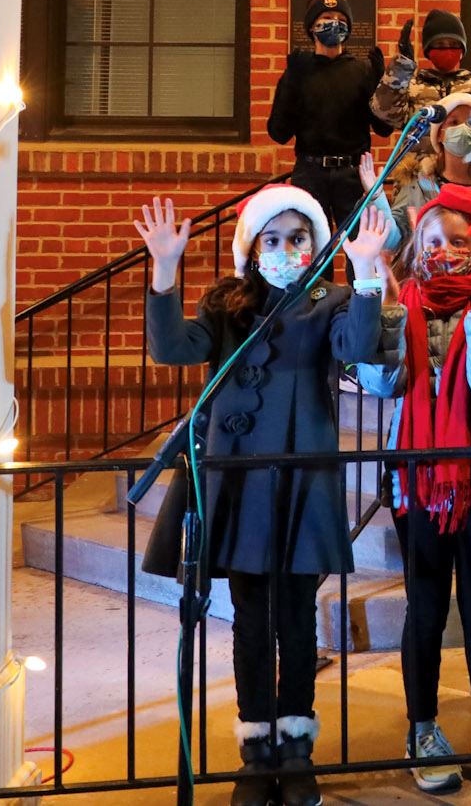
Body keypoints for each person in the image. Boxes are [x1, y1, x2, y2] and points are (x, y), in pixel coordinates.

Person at [134, 186, 398, 806]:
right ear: (252, 248)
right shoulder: (226, 304)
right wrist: (165, 271)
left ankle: (296, 748)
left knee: (298, 620)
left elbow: (357, 348)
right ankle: (255, 751)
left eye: (297, 238)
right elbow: (172, 349)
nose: (284, 250)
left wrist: (365, 277)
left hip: (302, 477)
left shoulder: (329, 301)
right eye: (271, 240)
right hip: (240, 478)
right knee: (251, 620)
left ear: (314, 244)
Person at [357, 184, 471, 791]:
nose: (444, 251)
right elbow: (383, 384)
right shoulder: (402, 301)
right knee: (425, 602)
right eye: (433, 241)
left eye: (457, 241)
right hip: (419, 475)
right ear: (416, 247)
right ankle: (422, 727)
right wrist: (385, 310)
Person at [267, 0, 389, 229]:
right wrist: (292, 82)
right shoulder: (299, 71)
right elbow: (278, 133)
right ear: (312, 27)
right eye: (326, 17)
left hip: (352, 172)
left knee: (359, 243)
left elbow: (383, 129)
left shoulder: (362, 71)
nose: (334, 23)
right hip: (310, 172)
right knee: (312, 245)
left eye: (341, 19)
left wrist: (383, 85)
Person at [375, 85, 471, 248]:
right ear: (440, 134)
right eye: (454, 122)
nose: (463, 128)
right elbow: (393, 242)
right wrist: (376, 198)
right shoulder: (417, 185)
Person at [374, 9, 471, 135]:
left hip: (465, 151)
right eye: (440, 45)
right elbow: (385, 112)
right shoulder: (412, 87)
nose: (447, 49)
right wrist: (403, 64)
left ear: (462, 50)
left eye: (454, 44)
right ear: (428, 49)